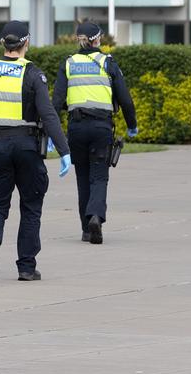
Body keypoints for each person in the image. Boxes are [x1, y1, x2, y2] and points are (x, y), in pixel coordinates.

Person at [0, 21, 71, 282]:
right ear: (26, 42)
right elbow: (48, 113)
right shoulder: (32, 73)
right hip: (27, 147)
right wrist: (64, 149)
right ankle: (26, 266)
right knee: (31, 206)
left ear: (3, 44)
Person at [52, 22, 138, 245]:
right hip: (101, 127)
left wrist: (52, 134)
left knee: (82, 177)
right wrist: (132, 125)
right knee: (99, 176)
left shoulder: (69, 64)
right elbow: (126, 100)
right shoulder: (108, 62)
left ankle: (86, 229)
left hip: (76, 127)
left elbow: (56, 101)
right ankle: (96, 217)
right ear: (98, 40)